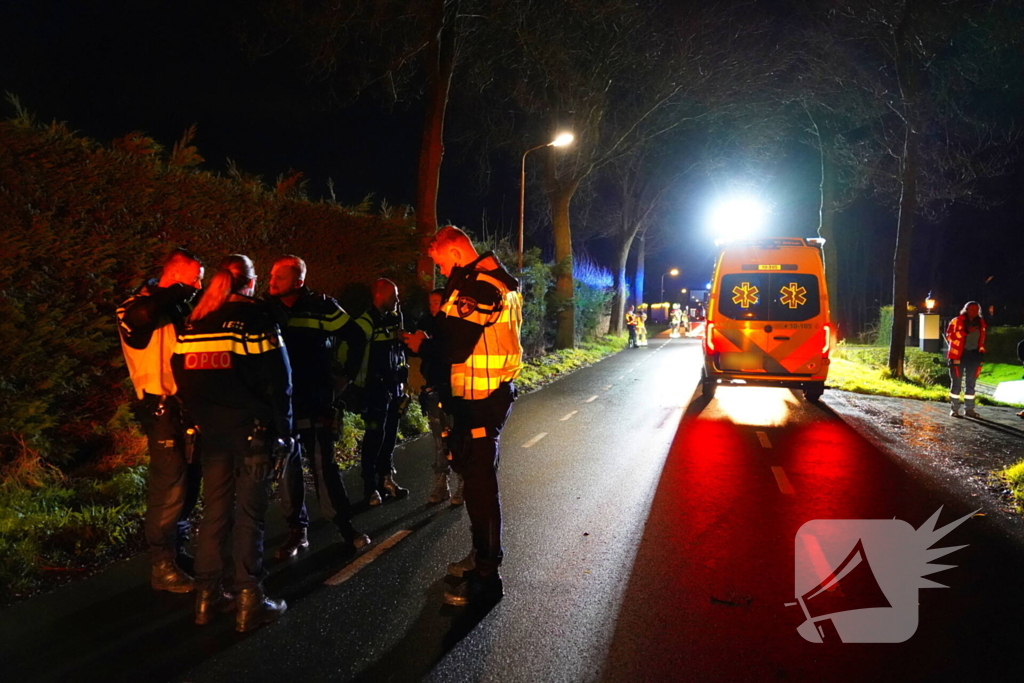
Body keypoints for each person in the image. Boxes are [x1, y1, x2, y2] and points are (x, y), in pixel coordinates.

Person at [171, 254, 293, 632]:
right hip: (252, 432)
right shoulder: (256, 321)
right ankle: (248, 599)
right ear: (250, 282)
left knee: (215, 512)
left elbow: (179, 378)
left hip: (213, 434)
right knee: (250, 516)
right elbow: (281, 381)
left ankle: (207, 597)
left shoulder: (196, 322)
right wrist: (285, 431)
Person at [404, 226, 523, 607]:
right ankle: (482, 558)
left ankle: (487, 576)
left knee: (481, 484)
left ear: (454, 250)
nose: (436, 265)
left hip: (480, 397)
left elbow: (455, 347)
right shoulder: (482, 280)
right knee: (476, 482)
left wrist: (424, 344)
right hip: (481, 395)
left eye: (437, 257)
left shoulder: (479, 286)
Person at [265, 256, 370, 560]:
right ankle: (297, 532)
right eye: (271, 276)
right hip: (281, 404)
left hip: (316, 399)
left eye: (279, 278)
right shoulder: (265, 311)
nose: (272, 282)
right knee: (287, 470)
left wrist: (345, 377)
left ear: (298, 281)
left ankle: (344, 526)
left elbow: (356, 335)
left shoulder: (322, 306)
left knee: (324, 466)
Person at [117, 248, 204, 594]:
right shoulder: (137, 306)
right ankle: (161, 564)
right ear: (177, 275)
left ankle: (176, 553)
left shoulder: (180, 304)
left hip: (188, 408)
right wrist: (173, 295)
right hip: (161, 408)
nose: (200, 283)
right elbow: (138, 321)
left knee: (189, 486)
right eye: (196, 276)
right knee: (168, 488)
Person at [345, 279, 411, 506]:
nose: (397, 300)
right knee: (375, 437)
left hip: (393, 389)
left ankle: (386, 479)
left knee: (390, 435)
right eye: (393, 296)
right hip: (374, 390)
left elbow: (399, 354)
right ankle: (370, 487)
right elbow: (351, 358)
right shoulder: (364, 324)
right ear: (380, 296)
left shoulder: (394, 322)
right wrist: (356, 389)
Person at [416, 288, 464, 505]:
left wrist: (428, 344)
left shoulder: (456, 325)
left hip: (455, 391)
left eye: (437, 302)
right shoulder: (426, 323)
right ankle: (440, 484)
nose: (433, 306)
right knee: (438, 439)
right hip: (433, 388)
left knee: (457, 438)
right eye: (431, 303)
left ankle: (463, 484)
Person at [945, 301, 987, 418]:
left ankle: (969, 409)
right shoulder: (957, 321)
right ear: (966, 309)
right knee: (956, 384)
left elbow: (982, 340)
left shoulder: (981, 323)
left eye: (976, 309)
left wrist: (981, 353)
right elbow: (949, 336)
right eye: (972, 309)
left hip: (974, 356)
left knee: (971, 383)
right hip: (958, 356)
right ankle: (954, 409)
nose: (974, 311)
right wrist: (965, 332)